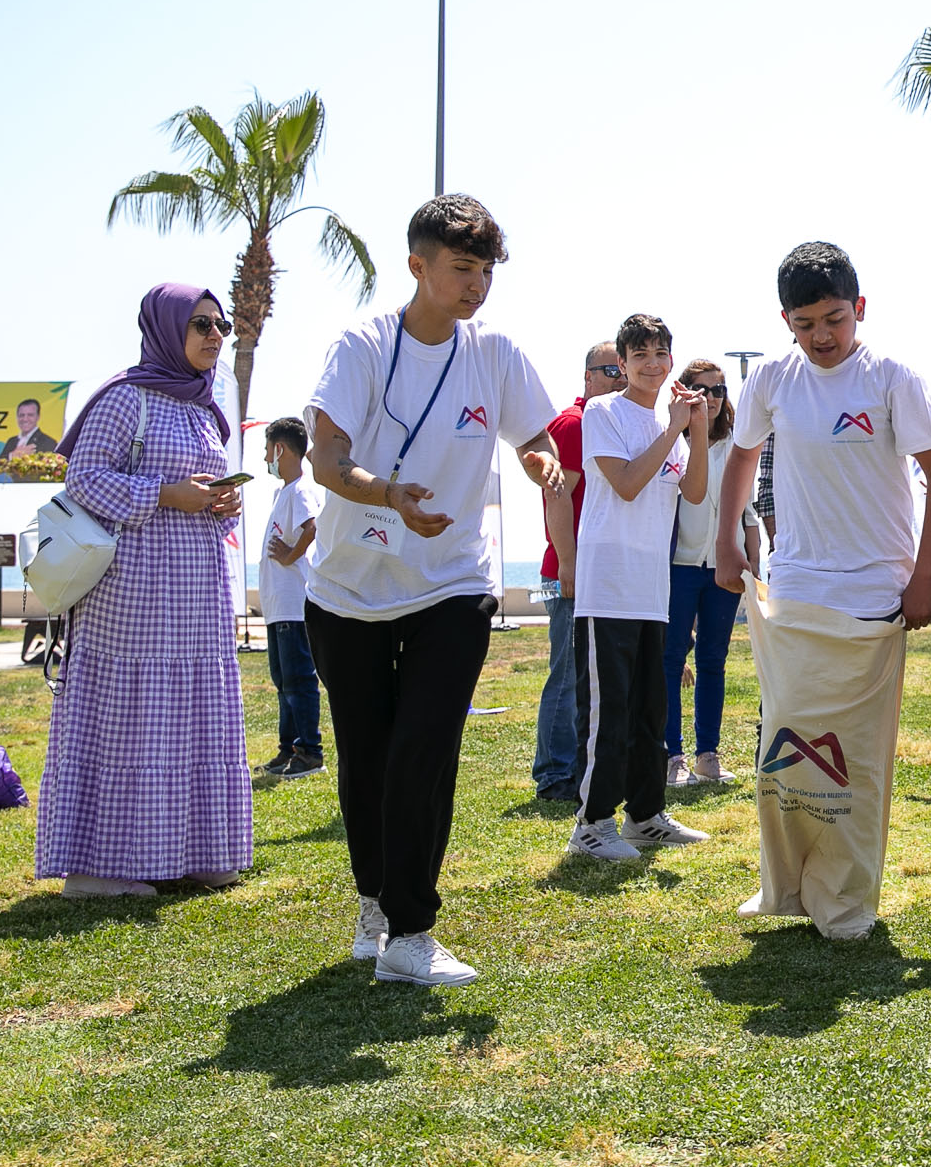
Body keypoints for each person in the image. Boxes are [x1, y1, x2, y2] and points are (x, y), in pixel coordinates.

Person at [305, 195, 563, 987]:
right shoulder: (361, 347)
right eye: (461, 268)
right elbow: (323, 457)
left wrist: (540, 463)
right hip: (349, 589)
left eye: (486, 270)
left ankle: (413, 933)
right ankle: (374, 900)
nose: (476, 285)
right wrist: (389, 497)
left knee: (425, 743)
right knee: (367, 756)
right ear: (417, 265)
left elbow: (537, 435)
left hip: (454, 580)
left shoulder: (495, 353)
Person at [713, 241, 931, 940]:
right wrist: (729, 539)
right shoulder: (771, 378)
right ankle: (784, 888)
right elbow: (742, 455)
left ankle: (846, 901)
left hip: (876, 593)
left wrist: (921, 575)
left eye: (835, 319)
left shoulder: (891, 379)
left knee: (851, 759)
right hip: (795, 586)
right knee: (785, 747)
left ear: (861, 310)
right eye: (806, 322)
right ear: (785, 319)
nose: (822, 336)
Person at [34, 284, 249, 898]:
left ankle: (195, 851)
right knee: (132, 724)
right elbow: (84, 480)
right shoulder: (126, 398)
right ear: (165, 328)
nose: (214, 335)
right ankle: (102, 869)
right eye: (201, 324)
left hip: (196, 596)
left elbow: (208, 499)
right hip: (133, 599)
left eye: (221, 325)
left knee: (191, 720)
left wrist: (222, 501)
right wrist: (165, 493)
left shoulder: (206, 406)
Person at [568, 314, 713, 860]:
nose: (653, 365)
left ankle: (645, 816)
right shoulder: (604, 412)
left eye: (661, 354)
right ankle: (591, 823)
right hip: (608, 587)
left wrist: (695, 429)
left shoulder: (670, 421)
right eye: (641, 355)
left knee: (653, 711)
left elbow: (694, 493)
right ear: (623, 362)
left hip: (653, 588)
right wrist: (674, 427)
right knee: (610, 713)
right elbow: (626, 484)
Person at [532, 342, 624, 802]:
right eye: (609, 369)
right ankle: (553, 775)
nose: (618, 377)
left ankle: (576, 768)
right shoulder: (574, 422)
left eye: (621, 369)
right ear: (587, 376)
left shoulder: (611, 421)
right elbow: (557, 496)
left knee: (587, 677)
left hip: (599, 570)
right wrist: (568, 562)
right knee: (566, 676)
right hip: (570, 570)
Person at [666, 358, 744, 786]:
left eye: (719, 390)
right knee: (671, 659)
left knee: (713, 660)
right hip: (678, 566)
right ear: (683, 392)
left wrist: (750, 562)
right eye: (703, 389)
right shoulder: (671, 441)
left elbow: (747, 509)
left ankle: (707, 755)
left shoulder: (738, 441)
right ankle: (671, 755)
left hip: (722, 569)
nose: (712, 398)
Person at [258, 415, 325, 778]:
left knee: (298, 679)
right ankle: (288, 748)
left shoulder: (300, 489)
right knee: (283, 680)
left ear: (280, 449)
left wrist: (290, 554)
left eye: (267, 449)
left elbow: (313, 526)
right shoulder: (283, 491)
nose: (265, 457)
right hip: (277, 608)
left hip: (293, 607)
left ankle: (309, 752)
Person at [0, 397, 63, 467]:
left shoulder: (48, 442)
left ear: (38, 417)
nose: (25, 419)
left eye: (30, 415)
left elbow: (51, 469)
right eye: (21, 415)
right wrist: (12, 456)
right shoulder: (12, 441)